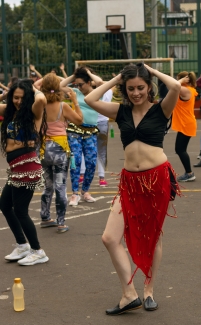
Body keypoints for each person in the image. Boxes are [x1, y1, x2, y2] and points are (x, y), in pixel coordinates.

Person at [85, 63, 181, 315]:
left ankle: (148, 291)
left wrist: (151, 70)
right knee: (109, 238)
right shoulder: (121, 111)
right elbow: (89, 98)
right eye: (130, 88)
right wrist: (117, 77)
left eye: (140, 87)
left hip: (156, 179)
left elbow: (177, 86)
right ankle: (129, 293)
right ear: (124, 89)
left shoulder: (162, 109)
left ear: (149, 87)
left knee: (153, 236)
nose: (136, 93)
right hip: (130, 182)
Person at [0, 79, 49, 265]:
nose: (18, 101)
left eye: (22, 98)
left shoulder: (33, 112)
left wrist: (33, 89)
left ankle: (38, 251)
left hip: (27, 168)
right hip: (16, 169)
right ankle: (22, 245)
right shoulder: (10, 112)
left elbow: (42, 100)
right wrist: (7, 94)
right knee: (4, 205)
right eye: (15, 97)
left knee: (20, 210)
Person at [36, 73, 83, 233]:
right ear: (58, 87)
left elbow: (35, 86)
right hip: (59, 150)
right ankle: (61, 222)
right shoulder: (63, 106)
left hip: (43, 149)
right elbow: (79, 120)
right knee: (60, 187)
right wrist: (75, 102)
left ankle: (45, 217)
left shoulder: (39, 106)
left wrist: (45, 80)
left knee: (48, 186)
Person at [60, 66, 103, 206]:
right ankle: (75, 193)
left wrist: (89, 73)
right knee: (75, 162)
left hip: (90, 132)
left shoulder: (96, 93)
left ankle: (85, 191)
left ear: (89, 82)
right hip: (74, 131)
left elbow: (101, 83)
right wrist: (74, 75)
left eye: (81, 84)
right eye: (76, 84)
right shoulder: (75, 92)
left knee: (91, 163)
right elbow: (60, 86)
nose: (78, 86)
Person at [171, 71, 197, 182]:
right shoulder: (187, 90)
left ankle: (189, 173)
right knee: (180, 149)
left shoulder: (186, 90)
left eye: (179, 79)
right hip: (186, 123)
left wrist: (180, 81)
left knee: (180, 149)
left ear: (185, 80)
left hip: (186, 123)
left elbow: (174, 85)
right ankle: (189, 172)